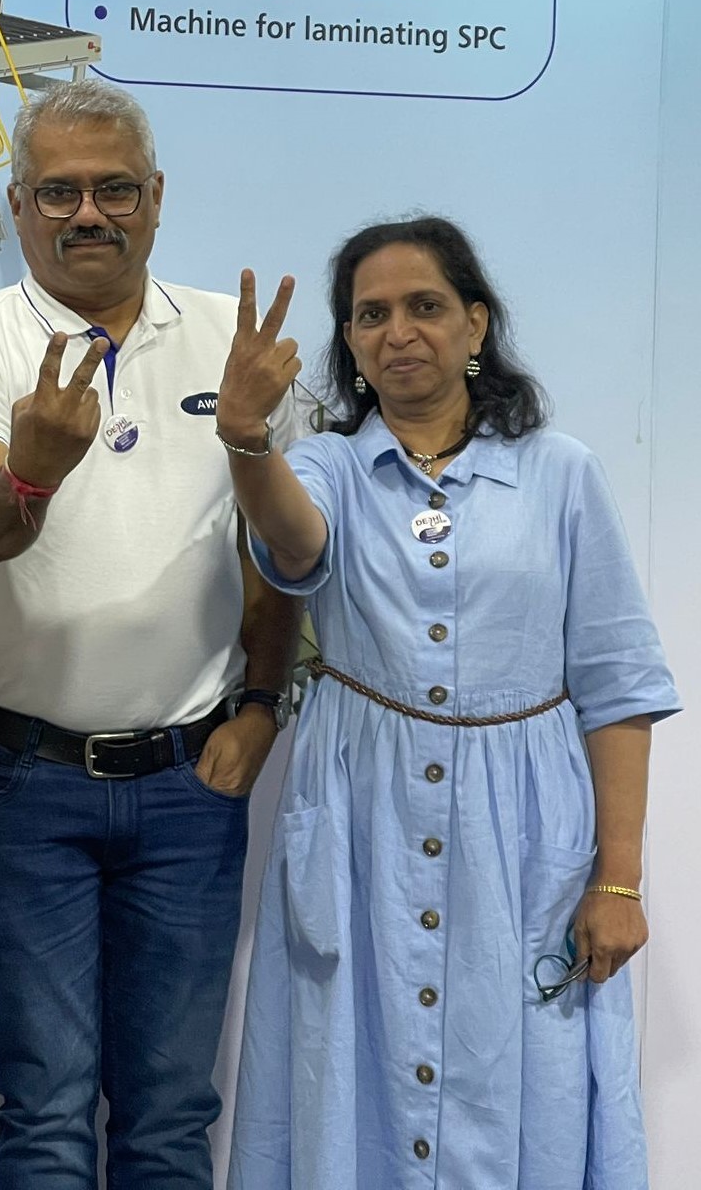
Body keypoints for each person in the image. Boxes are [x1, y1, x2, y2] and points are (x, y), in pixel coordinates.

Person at [216, 216, 679, 1189]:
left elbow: (618, 687)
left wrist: (619, 880)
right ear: (350, 342)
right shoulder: (329, 467)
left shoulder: (560, 474)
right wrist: (247, 439)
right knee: (352, 1072)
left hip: (522, 838)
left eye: (423, 306)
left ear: (475, 324)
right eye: (370, 314)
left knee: (520, 1078)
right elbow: (294, 543)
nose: (397, 332)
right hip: (364, 829)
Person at [0, 79, 305, 1188]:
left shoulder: (235, 342)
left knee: (172, 1114)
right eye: (59, 193)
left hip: (191, 784)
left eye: (115, 189)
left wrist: (263, 703)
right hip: (20, 784)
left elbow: (277, 551)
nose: (88, 214)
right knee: (43, 1111)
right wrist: (32, 469)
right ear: (18, 207)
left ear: (156, 197)